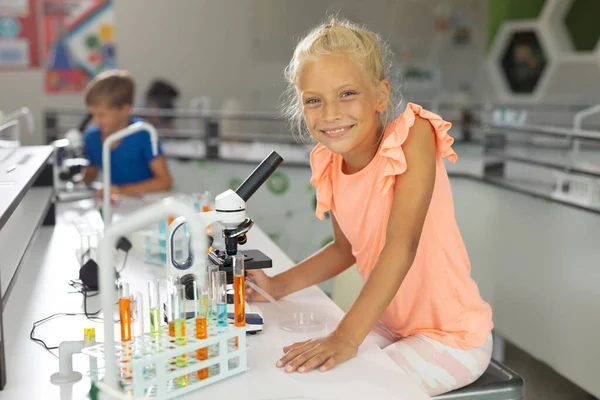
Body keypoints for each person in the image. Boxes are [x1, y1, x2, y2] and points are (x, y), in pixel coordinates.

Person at [245, 18, 493, 396]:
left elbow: (401, 245)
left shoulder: (414, 135)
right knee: (306, 379)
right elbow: (345, 250)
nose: (330, 113)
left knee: (353, 390)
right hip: (389, 326)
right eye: (314, 100)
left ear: (380, 96)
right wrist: (278, 286)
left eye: (347, 94)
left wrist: (346, 336)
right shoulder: (329, 163)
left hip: (451, 337)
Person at [82, 69, 173, 197]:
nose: (96, 121)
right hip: (116, 207)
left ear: (125, 110)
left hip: (147, 203)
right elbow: (88, 178)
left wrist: (121, 190)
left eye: (102, 115)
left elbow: (165, 182)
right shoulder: (91, 138)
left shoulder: (143, 134)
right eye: (93, 114)